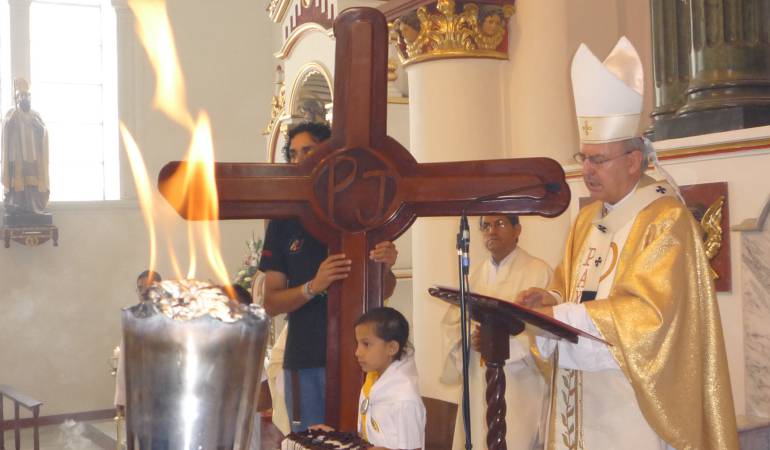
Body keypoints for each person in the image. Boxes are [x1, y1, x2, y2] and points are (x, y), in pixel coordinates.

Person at [515, 37, 738, 449]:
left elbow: (652, 319)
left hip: (629, 411)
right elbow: (572, 288)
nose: (586, 170)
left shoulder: (666, 221)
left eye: (597, 159)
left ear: (634, 161)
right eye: (583, 157)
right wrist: (548, 298)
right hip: (579, 398)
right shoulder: (587, 219)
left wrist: (561, 315)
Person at [260, 121, 398, 432]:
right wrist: (313, 286)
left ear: (329, 155)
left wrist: (386, 266)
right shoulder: (284, 221)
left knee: (358, 438)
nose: (300, 160)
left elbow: (385, 289)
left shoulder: (358, 210)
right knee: (311, 442)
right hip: (305, 355)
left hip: (360, 356)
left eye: (307, 151)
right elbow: (270, 302)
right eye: (293, 154)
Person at [440, 214, 552, 450]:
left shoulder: (538, 272)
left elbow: (545, 329)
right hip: (478, 378)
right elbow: (453, 324)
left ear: (517, 229)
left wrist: (500, 343)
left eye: (499, 224)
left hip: (520, 382)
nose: (491, 231)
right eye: (486, 226)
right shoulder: (472, 275)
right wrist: (471, 337)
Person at [313, 306, 425, 450]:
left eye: (366, 344)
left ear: (391, 348)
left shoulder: (404, 399)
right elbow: (368, 439)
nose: (357, 352)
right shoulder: (372, 383)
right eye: (358, 343)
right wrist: (334, 437)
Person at [115, 270, 163, 410]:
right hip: (140, 392)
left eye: (148, 288)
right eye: (140, 288)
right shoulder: (133, 320)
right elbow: (124, 361)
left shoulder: (173, 317)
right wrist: (121, 398)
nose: (143, 292)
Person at [1, 78, 49, 215]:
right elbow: (6, 128)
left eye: (27, 96)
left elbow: (44, 132)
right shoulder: (12, 113)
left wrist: (39, 127)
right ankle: (16, 204)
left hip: (33, 156)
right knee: (17, 182)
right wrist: (11, 121)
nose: (24, 98)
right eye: (21, 96)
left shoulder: (35, 114)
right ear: (17, 99)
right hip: (16, 156)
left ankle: (33, 206)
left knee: (32, 182)